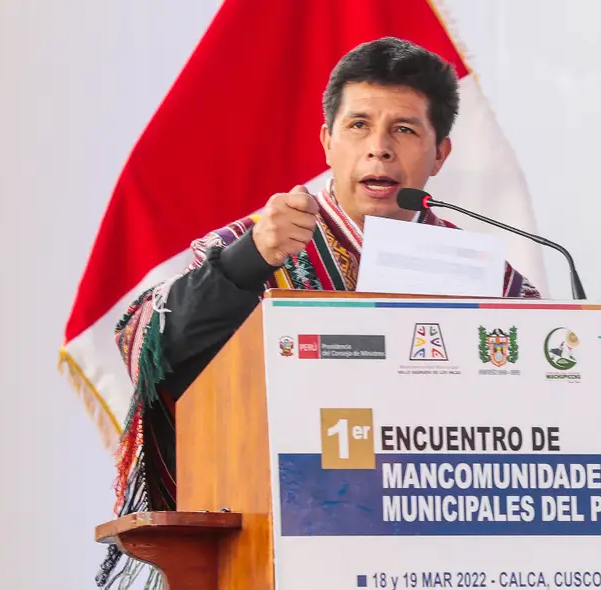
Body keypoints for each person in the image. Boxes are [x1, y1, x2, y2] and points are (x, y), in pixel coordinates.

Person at [104, 37, 542, 578]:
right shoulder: (255, 247)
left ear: (440, 154)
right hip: (270, 543)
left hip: (440, 548)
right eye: (358, 125)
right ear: (327, 141)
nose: (379, 149)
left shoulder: (484, 276)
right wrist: (246, 263)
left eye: (404, 130)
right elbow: (151, 352)